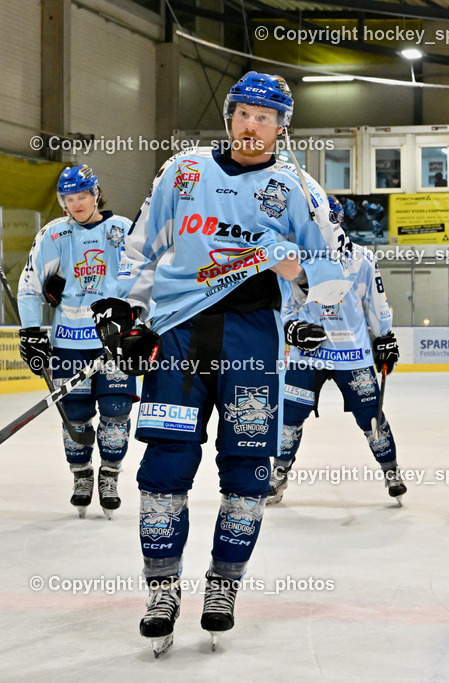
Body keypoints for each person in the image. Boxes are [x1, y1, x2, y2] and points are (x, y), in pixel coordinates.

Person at [90, 71, 355, 657]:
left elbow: (333, 273)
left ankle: (222, 587)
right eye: (243, 113)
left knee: (246, 472)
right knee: (164, 467)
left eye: (266, 117)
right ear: (230, 115)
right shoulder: (182, 172)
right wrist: (126, 314)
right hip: (178, 339)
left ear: (282, 126)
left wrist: (298, 276)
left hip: (252, 340)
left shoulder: (296, 188)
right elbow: (141, 248)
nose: (252, 125)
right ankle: (162, 591)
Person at [17, 165, 135, 519]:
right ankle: (81, 475)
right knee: (77, 415)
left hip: (112, 344)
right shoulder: (54, 234)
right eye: (69, 199)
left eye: (82, 196)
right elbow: (29, 285)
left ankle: (110, 475)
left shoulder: (122, 230)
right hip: (68, 341)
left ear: (96, 193)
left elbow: (142, 283)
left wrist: (136, 325)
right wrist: (31, 332)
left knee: (117, 412)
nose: (76, 204)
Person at [269, 198, 402, 505]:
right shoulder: (294, 259)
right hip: (307, 355)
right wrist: (294, 329)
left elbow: (375, 301)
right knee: (289, 416)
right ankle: (279, 472)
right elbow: (287, 305)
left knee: (371, 414)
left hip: (352, 353)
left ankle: (390, 470)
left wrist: (384, 336)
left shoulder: (362, 259)